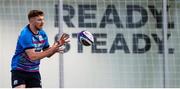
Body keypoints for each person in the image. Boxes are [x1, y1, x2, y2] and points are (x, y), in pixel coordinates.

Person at [11, 10, 69, 88]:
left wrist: (56, 47)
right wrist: (52, 49)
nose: (42, 22)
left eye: (43, 19)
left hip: (34, 71)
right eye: (39, 20)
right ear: (31, 21)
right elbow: (33, 57)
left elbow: (48, 53)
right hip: (19, 69)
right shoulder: (25, 34)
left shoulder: (42, 34)